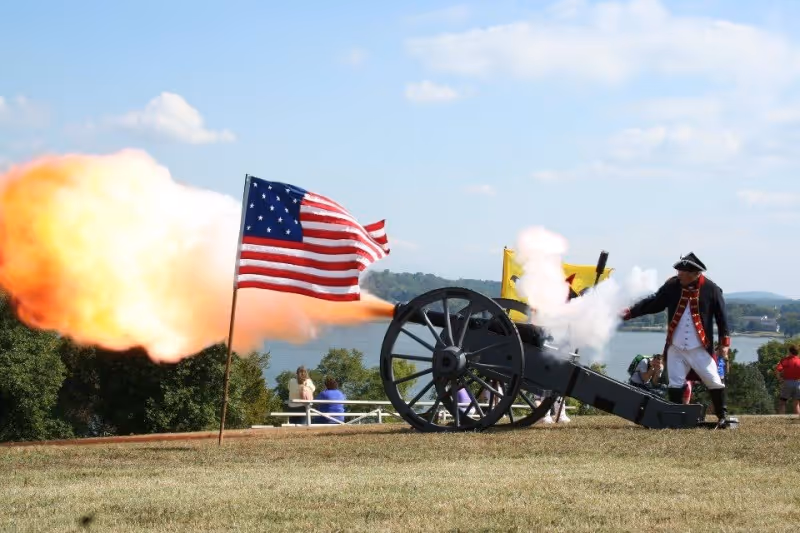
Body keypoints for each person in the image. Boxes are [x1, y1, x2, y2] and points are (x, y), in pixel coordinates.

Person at [620, 252, 732, 428]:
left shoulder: (712, 289)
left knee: (714, 380)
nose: (678, 275)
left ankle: (722, 416)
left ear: (694, 274)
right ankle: (677, 417)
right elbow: (654, 302)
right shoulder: (672, 285)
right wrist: (631, 312)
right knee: (675, 382)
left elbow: (722, 318)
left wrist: (724, 344)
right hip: (675, 346)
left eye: (682, 272)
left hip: (699, 347)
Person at [776, 345, 800, 415]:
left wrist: (780, 379)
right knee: (796, 404)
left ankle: (781, 421)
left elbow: (777, 370)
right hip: (798, 383)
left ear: (790, 352)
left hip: (787, 383)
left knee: (782, 403)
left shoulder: (785, 360)